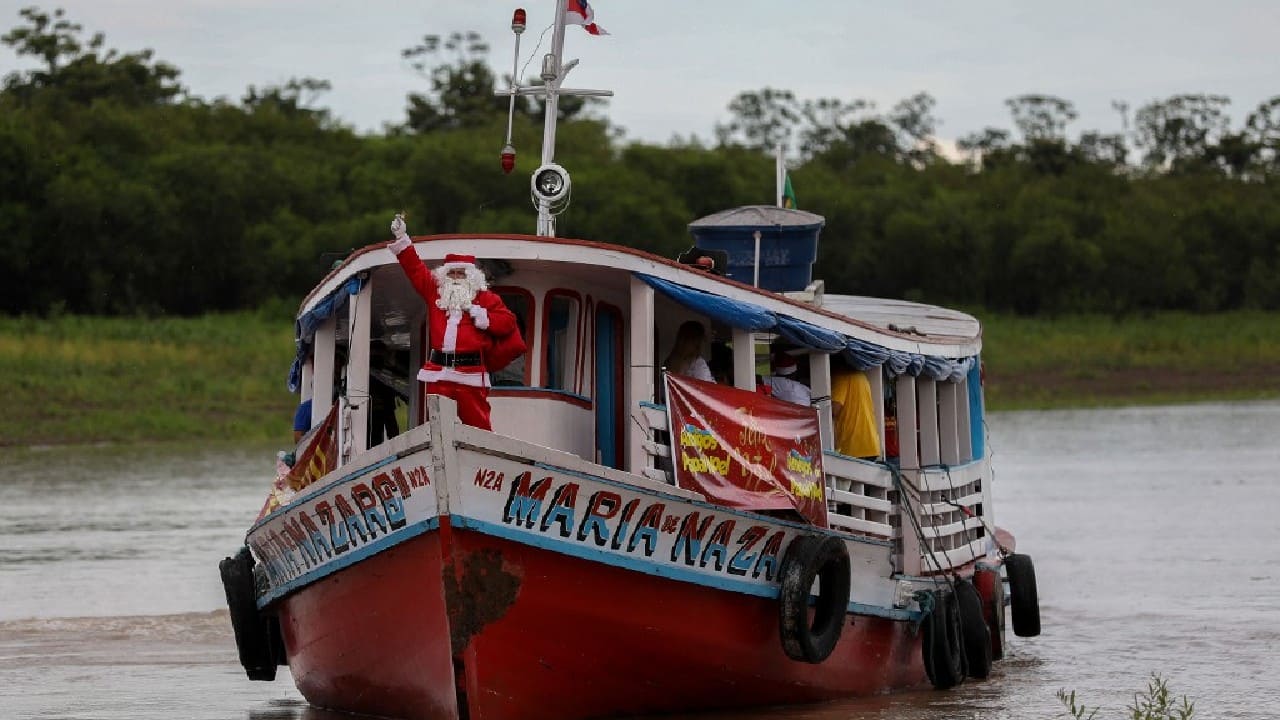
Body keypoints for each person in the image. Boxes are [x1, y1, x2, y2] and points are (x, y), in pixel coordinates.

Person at [387, 214, 524, 430]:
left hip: (471, 374)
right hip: (439, 373)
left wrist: (483, 317)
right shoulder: (435, 292)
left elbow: (508, 322)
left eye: (462, 273)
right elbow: (415, 269)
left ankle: (478, 453)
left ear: (471, 277)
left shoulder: (486, 298)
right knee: (438, 427)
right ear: (445, 276)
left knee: (478, 428)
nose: (457, 278)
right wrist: (402, 238)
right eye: (453, 273)